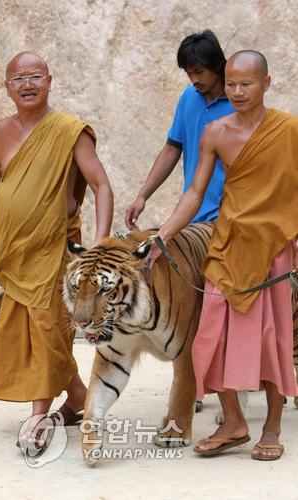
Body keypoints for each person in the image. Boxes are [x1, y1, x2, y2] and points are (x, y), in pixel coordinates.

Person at [0, 51, 114, 445]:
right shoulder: (1, 131)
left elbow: (101, 184)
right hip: (15, 259)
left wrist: (100, 242)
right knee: (35, 333)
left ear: (50, 81)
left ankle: (37, 418)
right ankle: (80, 397)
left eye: (35, 76)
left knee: (47, 333)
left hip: (54, 254)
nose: (28, 84)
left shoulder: (70, 131)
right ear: (7, 87)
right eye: (19, 79)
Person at [148, 50, 298, 460]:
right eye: (231, 83)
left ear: (266, 84)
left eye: (246, 84)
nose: (237, 91)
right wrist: (162, 236)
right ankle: (233, 422)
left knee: (272, 339)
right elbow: (195, 193)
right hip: (228, 242)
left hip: (273, 249)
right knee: (209, 338)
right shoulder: (215, 131)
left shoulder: (289, 130)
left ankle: (270, 427)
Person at [125, 29, 234, 231]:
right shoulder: (188, 97)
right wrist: (142, 196)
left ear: (217, 65)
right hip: (192, 216)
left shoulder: (238, 104)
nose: (194, 80)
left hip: (229, 217)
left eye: (199, 72)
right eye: (188, 73)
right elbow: (171, 149)